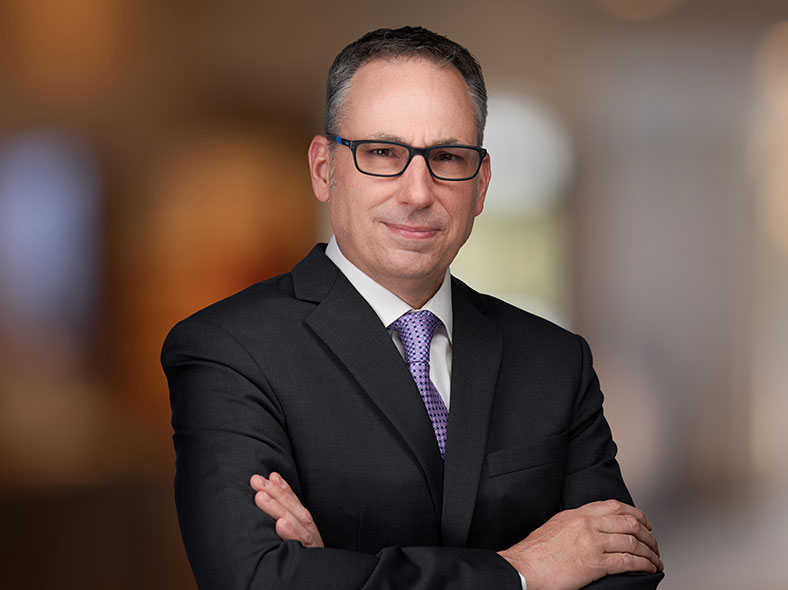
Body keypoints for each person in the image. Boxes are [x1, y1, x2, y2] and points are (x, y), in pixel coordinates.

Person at [162, 26, 663, 590]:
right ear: (325, 169)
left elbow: (625, 570)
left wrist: (340, 572)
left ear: (481, 184)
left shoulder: (554, 361)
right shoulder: (229, 350)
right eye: (382, 153)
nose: (418, 192)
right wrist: (522, 571)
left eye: (447, 157)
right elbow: (255, 579)